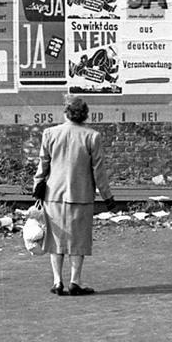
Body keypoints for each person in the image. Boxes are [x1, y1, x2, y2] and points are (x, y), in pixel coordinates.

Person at [32, 97, 117, 296]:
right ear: (86, 115)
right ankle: (75, 281)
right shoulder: (92, 136)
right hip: (81, 195)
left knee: (56, 239)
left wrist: (37, 186)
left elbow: (43, 164)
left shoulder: (50, 133)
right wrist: (108, 197)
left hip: (54, 194)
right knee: (78, 241)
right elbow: (99, 171)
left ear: (65, 113)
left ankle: (57, 281)